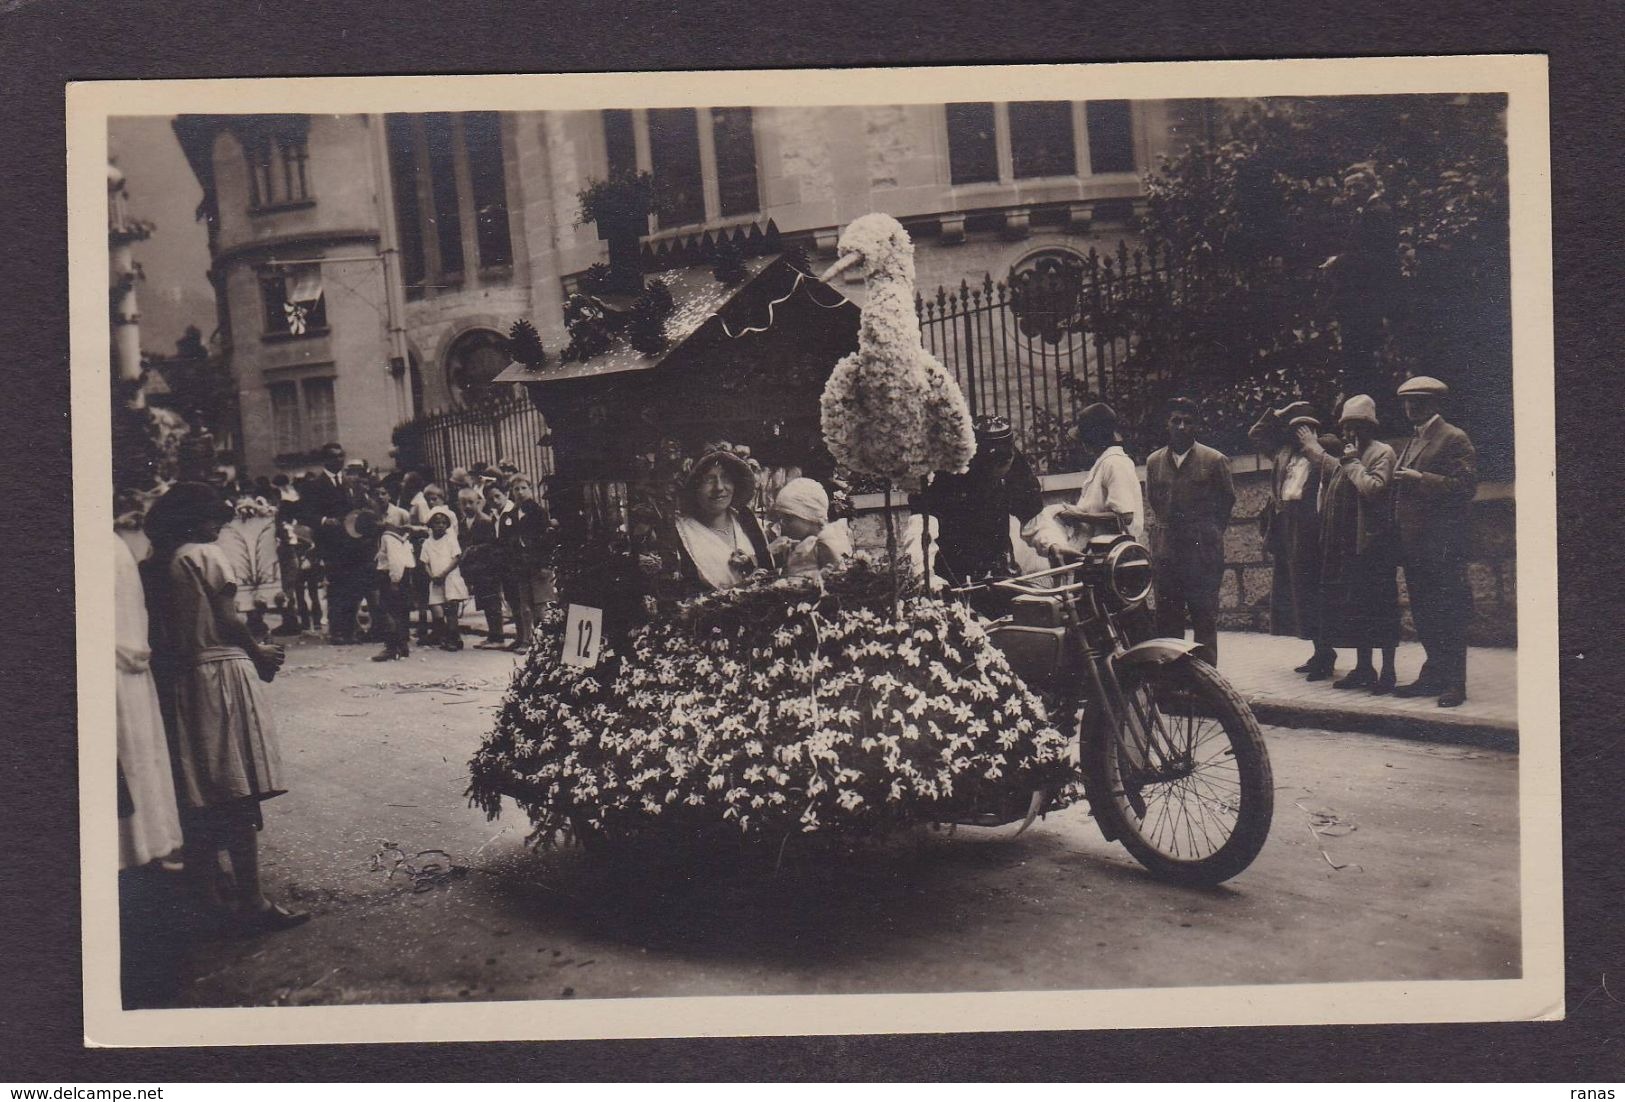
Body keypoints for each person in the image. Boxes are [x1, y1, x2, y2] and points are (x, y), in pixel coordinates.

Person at [141, 483, 307, 932]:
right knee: (237, 789)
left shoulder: (162, 563)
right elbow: (228, 619)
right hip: (221, 675)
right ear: (194, 519)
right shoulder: (206, 556)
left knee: (203, 789)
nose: (222, 526)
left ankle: (210, 894)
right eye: (216, 517)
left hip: (186, 679)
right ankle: (252, 902)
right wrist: (260, 651)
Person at [1296, 395, 1400, 691]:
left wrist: (1352, 462)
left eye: (1357, 426)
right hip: (1349, 548)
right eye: (1347, 427)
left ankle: (1388, 672)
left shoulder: (1382, 453)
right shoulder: (1347, 454)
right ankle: (1364, 668)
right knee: (1357, 611)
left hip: (1374, 547)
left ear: (1370, 426)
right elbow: (1332, 471)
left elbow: (1374, 488)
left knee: (1382, 610)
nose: (1351, 433)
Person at [1391, 376, 1478, 707]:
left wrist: (1421, 479)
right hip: (1415, 545)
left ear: (1436, 404)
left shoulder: (1454, 438)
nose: (1411, 407)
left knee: (1449, 612)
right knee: (1425, 611)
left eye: (1419, 401)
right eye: (1408, 402)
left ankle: (1456, 683)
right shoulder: (1414, 440)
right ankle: (1434, 673)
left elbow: (1465, 486)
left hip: (1442, 544)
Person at [916, 415, 1043, 612]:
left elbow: (1032, 516)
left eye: (1004, 464)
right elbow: (922, 527)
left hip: (1000, 572)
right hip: (953, 576)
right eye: (990, 467)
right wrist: (925, 575)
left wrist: (1052, 544)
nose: (999, 473)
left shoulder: (1014, 463)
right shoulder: (947, 472)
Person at [1145, 396, 1236, 664]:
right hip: (1167, 553)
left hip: (1202, 553)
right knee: (1167, 622)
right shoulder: (1154, 462)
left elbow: (1226, 502)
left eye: (1188, 421)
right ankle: (1171, 686)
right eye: (1176, 421)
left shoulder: (1214, 460)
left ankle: (1207, 687)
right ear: (1167, 424)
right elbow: (1155, 501)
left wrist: (1207, 534)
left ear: (1196, 426)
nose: (1182, 427)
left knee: (1204, 620)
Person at [1250, 401, 1337, 678]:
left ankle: (1326, 653)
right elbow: (1256, 434)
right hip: (1286, 528)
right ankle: (1318, 651)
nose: (1299, 433)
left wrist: (1313, 445)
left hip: (1311, 528)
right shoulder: (1284, 453)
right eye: (1295, 427)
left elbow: (1336, 471)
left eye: (1304, 427)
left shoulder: (1326, 447)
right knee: (1297, 593)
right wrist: (1276, 412)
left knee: (1314, 591)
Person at [115, 524, 183, 870]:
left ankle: (150, 846)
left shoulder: (120, 550)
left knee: (142, 761)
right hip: (120, 669)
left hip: (135, 664)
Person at [645, 449, 773, 602]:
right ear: (693, 487)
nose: (719, 487)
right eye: (709, 480)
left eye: (726, 478)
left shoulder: (747, 522)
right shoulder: (679, 533)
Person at [1026, 402, 1144, 561]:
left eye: (1083, 440)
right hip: (1098, 550)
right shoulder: (1104, 462)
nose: (1082, 445)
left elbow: (1125, 518)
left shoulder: (1115, 464)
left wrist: (1079, 515)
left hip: (1115, 555)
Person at [494, 474, 556, 649]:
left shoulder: (539, 512)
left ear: (530, 489)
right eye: (516, 489)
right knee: (525, 606)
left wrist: (545, 564)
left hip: (538, 565)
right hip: (520, 566)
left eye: (524, 488)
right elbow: (505, 542)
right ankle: (526, 640)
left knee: (541, 605)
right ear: (511, 492)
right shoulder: (509, 515)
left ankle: (544, 641)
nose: (520, 492)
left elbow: (547, 540)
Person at [769, 477, 851, 578]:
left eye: (789, 518)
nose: (782, 523)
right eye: (781, 518)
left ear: (809, 516)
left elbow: (836, 579)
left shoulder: (825, 544)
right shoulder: (803, 543)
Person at [458, 487, 506, 648]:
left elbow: (491, 544)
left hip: (488, 569)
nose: (467, 506)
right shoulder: (463, 523)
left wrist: (475, 549)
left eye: (471, 502)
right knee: (485, 602)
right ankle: (492, 636)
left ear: (478, 503)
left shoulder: (485, 521)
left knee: (493, 602)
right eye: (464, 503)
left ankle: (498, 636)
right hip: (475, 570)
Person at [370, 486, 415, 662]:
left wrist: (395, 579)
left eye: (384, 493)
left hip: (393, 570)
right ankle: (401, 644)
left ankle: (392, 645)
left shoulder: (393, 529)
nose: (380, 497)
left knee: (387, 609)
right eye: (377, 494)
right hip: (393, 566)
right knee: (399, 608)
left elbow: (396, 554)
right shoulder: (373, 517)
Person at [421, 506, 468, 651]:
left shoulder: (450, 539)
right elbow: (425, 562)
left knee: (451, 611)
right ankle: (443, 635)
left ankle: (453, 638)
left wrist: (443, 574)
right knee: (437, 610)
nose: (440, 525)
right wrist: (432, 576)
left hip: (450, 578)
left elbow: (456, 558)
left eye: (443, 523)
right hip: (436, 581)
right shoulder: (427, 543)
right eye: (436, 523)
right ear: (430, 525)